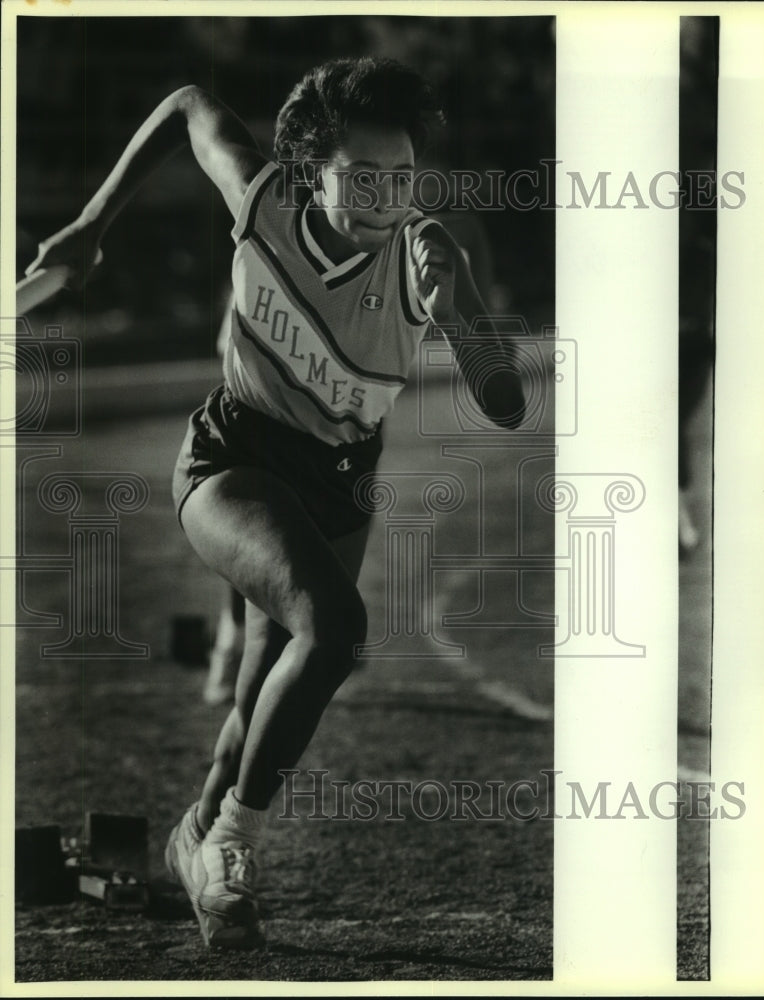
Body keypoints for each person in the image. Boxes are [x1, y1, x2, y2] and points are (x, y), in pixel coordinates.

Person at [26, 57, 525, 949]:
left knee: (256, 704)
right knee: (333, 629)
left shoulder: (426, 251)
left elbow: (503, 398)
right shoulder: (262, 203)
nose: (385, 195)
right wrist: (89, 229)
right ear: (309, 168)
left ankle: (200, 834)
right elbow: (184, 103)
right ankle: (235, 844)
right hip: (233, 459)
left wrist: (461, 316)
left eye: (402, 176)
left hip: (340, 485)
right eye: (362, 175)